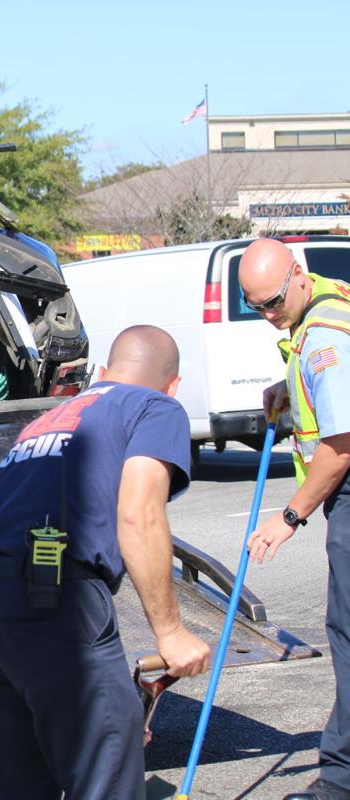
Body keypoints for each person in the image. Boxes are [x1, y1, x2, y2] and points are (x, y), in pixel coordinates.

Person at [0, 324, 212, 799]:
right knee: (104, 777)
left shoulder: (52, 417)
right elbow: (138, 514)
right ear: (173, 385)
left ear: (103, 371)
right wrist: (171, 632)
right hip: (54, 603)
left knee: (15, 783)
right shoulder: (154, 406)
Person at [239, 239, 350, 800]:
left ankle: (340, 781)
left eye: (274, 302)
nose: (267, 315)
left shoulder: (325, 337)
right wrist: (293, 385)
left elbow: (341, 446)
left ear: (299, 276)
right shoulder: (329, 303)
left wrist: (289, 516)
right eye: (255, 305)